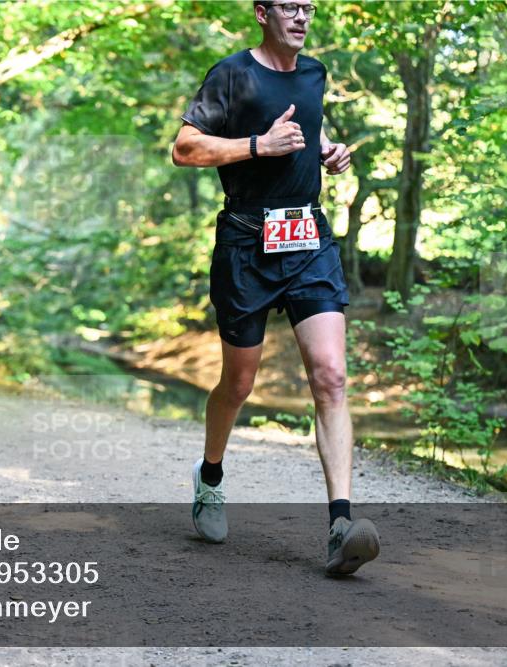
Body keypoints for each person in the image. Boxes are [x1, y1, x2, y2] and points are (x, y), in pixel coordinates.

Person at [172, 1, 380, 576]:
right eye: (290, 6)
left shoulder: (314, 74)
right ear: (262, 13)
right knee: (238, 383)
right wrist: (258, 145)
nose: (302, 16)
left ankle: (340, 526)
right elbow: (185, 148)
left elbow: (304, 134)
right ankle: (210, 476)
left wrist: (325, 151)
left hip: (307, 240)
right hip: (246, 245)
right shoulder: (231, 75)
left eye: (309, 7)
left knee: (331, 376)